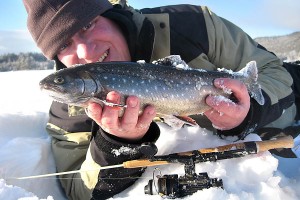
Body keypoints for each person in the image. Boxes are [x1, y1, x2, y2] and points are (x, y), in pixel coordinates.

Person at [22, 0, 297, 199]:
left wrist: (249, 109)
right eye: (63, 45)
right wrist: (116, 144)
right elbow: (77, 189)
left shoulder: (192, 25)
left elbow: (276, 73)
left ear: (108, 12)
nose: (86, 50)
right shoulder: (69, 108)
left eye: (88, 24)